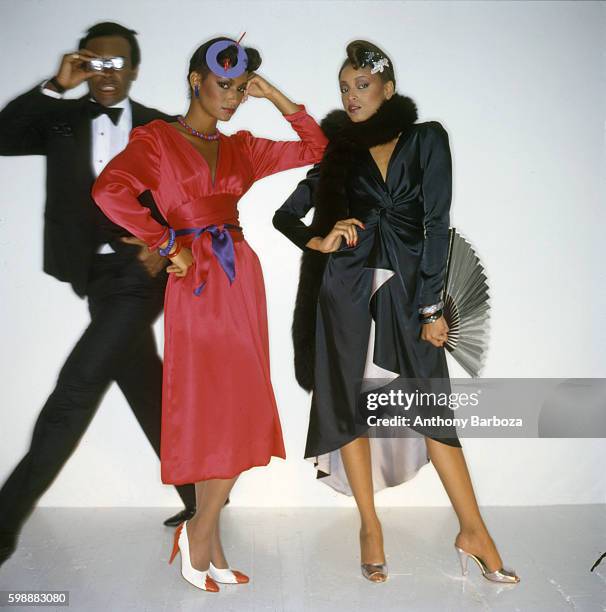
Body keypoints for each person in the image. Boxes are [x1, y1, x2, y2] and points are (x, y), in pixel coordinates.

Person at [273, 40, 520, 585]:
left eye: (361, 85)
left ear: (388, 89)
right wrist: (319, 241)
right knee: (350, 405)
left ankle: (473, 530)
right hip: (345, 291)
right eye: (343, 87)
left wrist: (432, 304)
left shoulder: (427, 140)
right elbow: (285, 215)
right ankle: (369, 526)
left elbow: (438, 221)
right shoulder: (340, 155)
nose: (351, 96)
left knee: (433, 409)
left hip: (410, 296)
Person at [92, 36, 327, 592]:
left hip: (240, 275)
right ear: (196, 78)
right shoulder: (156, 141)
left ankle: (208, 538)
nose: (235, 98)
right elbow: (109, 191)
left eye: (243, 90)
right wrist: (166, 239)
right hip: (197, 279)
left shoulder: (243, 147)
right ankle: (200, 533)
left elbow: (316, 148)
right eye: (227, 85)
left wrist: (275, 97)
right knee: (212, 408)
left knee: (240, 405)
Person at [0, 21, 197, 569]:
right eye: (96, 62)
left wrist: (169, 243)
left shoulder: (163, 128)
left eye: (118, 63)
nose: (107, 73)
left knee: (75, 389)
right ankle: (202, 502)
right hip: (95, 277)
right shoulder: (60, 121)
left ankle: (2, 524)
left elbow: (200, 200)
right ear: (84, 64)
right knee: (144, 385)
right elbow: (2, 135)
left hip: (142, 276)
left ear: (134, 69)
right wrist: (53, 87)